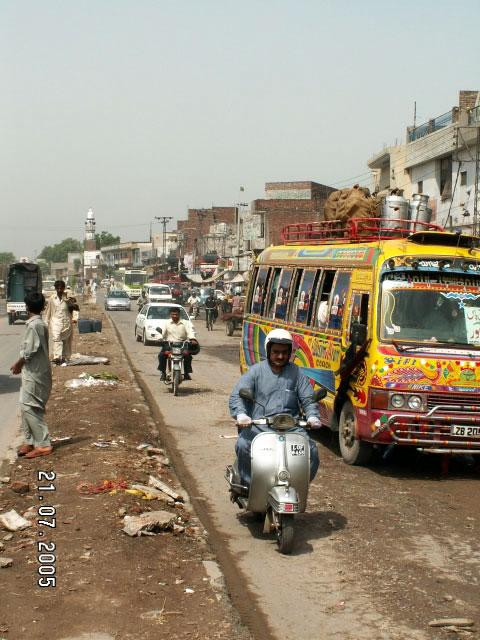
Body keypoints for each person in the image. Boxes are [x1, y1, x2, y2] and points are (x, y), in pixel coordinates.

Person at [229, 329, 321, 488]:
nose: (280, 356)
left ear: (289, 353)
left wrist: (312, 416)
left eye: (284, 352)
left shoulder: (296, 372)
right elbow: (238, 395)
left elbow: (307, 398)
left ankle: (297, 487)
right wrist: (242, 414)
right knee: (243, 445)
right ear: (268, 351)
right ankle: (249, 486)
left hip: (291, 428)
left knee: (312, 452)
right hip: (260, 427)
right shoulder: (256, 371)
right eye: (276, 352)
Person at [10, 292, 53, 459]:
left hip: (36, 374)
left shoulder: (35, 326)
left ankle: (43, 444)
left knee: (30, 407)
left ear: (27, 307)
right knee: (24, 405)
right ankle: (30, 440)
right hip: (33, 372)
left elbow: (29, 351)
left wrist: (19, 363)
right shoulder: (36, 324)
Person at [157, 307, 199, 381]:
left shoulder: (185, 323)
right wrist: (159, 338)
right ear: (170, 315)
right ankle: (163, 373)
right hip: (169, 344)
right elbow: (162, 333)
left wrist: (192, 339)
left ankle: (186, 373)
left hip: (182, 344)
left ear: (179, 315)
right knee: (162, 355)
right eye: (173, 314)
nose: (175, 316)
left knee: (188, 356)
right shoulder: (166, 323)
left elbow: (190, 331)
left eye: (176, 314)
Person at [44, 280, 75, 364]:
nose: (59, 290)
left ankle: (64, 357)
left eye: (61, 288)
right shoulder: (52, 299)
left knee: (65, 339)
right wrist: (46, 322)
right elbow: (48, 310)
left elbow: (74, 309)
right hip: (55, 322)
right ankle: (57, 356)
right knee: (56, 338)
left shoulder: (68, 298)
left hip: (66, 321)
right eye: (58, 288)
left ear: (64, 288)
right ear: (55, 289)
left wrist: (70, 302)